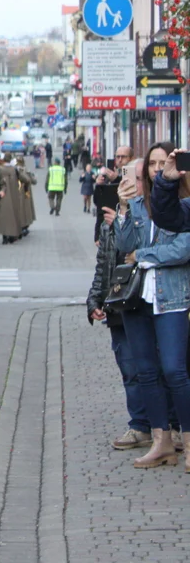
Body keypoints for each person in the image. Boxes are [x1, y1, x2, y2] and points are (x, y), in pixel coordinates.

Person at [112, 141, 190, 470]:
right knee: (147, 372)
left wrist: (143, 257)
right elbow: (123, 246)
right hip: (136, 298)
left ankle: (186, 437)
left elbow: (182, 249)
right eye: (153, 165)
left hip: (171, 296)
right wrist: (124, 210)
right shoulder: (139, 206)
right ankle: (161, 442)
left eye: (163, 163)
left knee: (174, 369)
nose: (158, 169)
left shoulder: (182, 205)